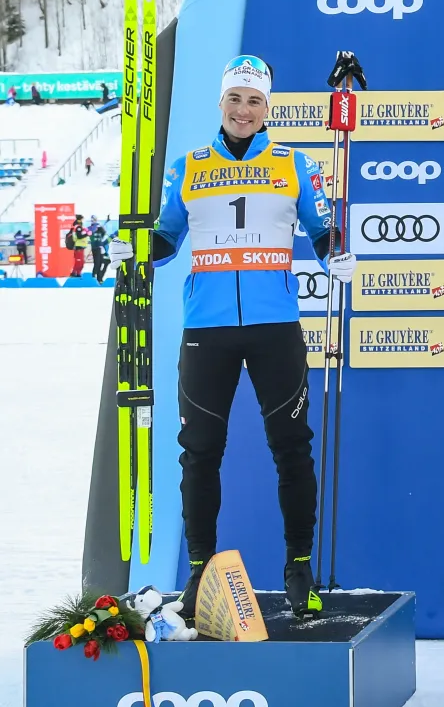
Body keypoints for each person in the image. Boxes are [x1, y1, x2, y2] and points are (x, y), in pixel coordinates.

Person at [108, 55, 357, 620]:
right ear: (220, 104)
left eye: (255, 101)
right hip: (207, 328)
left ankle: (299, 564)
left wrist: (335, 253)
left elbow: (321, 229)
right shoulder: (189, 167)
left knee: (292, 450)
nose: (244, 110)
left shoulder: (295, 163)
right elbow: (168, 238)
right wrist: (137, 251)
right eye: (235, 99)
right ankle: (200, 571)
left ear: (267, 108)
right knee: (199, 454)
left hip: (274, 327)